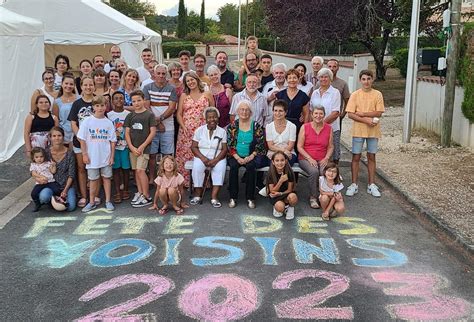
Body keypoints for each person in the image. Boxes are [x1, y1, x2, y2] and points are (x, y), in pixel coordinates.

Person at [345, 69, 385, 198]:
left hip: (373, 131)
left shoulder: (377, 94)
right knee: (356, 157)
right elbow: (350, 113)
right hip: (358, 131)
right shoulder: (355, 95)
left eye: (369, 78)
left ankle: (371, 184)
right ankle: (354, 184)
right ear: (360, 80)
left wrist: (363, 114)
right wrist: (366, 120)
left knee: (371, 157)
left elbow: (379, 112)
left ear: (372, 79)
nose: (366, 81)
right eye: (364, 79)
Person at [78, 95, 116, 212]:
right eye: (97, 106)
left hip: (105, 156)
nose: (100, 108)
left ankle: (108, 201)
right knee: (93, 180)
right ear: (93, 107)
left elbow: (113, 141)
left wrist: (111, 157)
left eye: (102, 105)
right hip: (92, 156)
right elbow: (82, 139)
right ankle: (91, 202)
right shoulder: (87, 121)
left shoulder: (108, 122)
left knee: (106, 178)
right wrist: (84, 154)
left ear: (106, 106)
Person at [176, 72, 214, 187]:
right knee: (186, 155)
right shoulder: (184, 95)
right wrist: (183, 126)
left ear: (197, 80)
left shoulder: (207, 94)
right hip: (187, 132)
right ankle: (187, 182)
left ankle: (204, 182)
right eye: (188, 81)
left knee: (203, 154)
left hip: (203, 131)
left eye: (192, 80)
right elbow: (179, 114)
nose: (190, 82)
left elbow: (213, 112)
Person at [227, 100, 266, 209]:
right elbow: (230, 144)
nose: (244, 112)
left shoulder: (256, 125)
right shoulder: (233, 126)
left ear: (251, 112)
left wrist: (251, 156)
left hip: (251, 154)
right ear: (238, 111)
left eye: (247, 110)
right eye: (242, 109)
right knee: (234, 166)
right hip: (235, 155)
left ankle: (250, 197)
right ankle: (233, 197)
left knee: (251, 166)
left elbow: (260, 144)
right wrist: (237, 157)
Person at [143, 64, 178, 184]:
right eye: (159, 73)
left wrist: (160, 119)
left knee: (167, 155)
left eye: (163, 73)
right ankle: (152, 178)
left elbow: (172, 108)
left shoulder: (172, 88)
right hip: (152, 127)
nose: (161, 76)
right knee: (152, 154)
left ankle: (166, 178)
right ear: (154, 74)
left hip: (168, 127)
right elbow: (146, 106)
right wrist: (157, 124)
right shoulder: (147, 87)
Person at [124, 90, 157, 207]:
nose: (136, 103)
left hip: (144, 149)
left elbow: (153, 132)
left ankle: (147, 195)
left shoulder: (149, 115)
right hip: (133, 149)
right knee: (136, 172)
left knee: (141, 170)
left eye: (139, 100)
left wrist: (143, 145)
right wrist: (131, 147)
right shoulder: (130, 115)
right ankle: (140, 192)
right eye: (134, 101)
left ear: (143, 100)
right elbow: (127, 133)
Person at [297, 106, 334, 209]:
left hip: (322, 158)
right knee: (314, 172)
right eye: (316, 113)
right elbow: (299, 147)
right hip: (306, 158)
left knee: (326, 171)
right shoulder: (305, 127)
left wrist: (326, 158)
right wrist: (309, 158)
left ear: (324, 115)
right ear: (312, 115)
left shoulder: (329, 128)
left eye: (321, 114)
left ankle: (326, 195)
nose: (318, 116)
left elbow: (331, 146)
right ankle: (313, 197)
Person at [190, 107, 228, 207]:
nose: (212, 119)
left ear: (218, 118)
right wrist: (203, 158)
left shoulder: (222, 132)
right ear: (205, 119)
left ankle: (214, 197)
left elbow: (224, 149)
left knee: (220, 169)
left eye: (214, 117)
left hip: (218, 157)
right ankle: (198, 195)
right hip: (201, 156)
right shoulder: (199, 130)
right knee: (197, 168)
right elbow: (193, 147)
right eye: (209, 117)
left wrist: (215, 160)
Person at [67, 76, 95, 207]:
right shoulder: (77, 104)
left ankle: (94, 196)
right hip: (79, 141)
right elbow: (73, 122)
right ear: (81, 87)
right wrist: (80, 136)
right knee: (81, 168)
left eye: (91, 85)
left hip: (95, 142)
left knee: (94, 169)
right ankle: (84, 196)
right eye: (86, 85)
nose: (88, 87)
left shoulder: (98, 101)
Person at [38, 127, 77, 212]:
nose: (57, 138)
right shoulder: (46, 152)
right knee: (43, 198)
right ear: (50, 138)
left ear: (63, 137)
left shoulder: (69, 153)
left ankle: (58, 200)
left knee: (71, 207)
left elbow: (71, 174)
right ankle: (54, 200)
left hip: (67, 185)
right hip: (51, 185)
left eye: (59, 135)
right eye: (54, 136)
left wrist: (65, 190)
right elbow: (37, 167)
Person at [310, 68, 341, 163]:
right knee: (319, 154)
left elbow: (335, 113)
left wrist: (321, 124)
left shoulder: (335, 92)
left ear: (330, 78)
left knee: (333, 155)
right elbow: (311, 110)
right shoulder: (315, 93)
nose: (323, 79)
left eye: (326, 77)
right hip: (316, 129)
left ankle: (333, 174)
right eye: (321, 77)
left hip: (331, 128)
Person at [107, 91, 131, 204]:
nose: (119, 101)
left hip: (126, 146)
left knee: (126, 169)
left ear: (124, 100)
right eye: (116, 98)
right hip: (114, 147)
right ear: (112, 101)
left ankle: (126, 189)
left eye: (121, 98)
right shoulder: (109, 115)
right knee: (116, 169)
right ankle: (117, 191)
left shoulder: (128, 114)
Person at [266, 151, 298, 220]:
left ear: (286, 161)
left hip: (286, 193)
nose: (280, 163)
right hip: (275, 196)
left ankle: (290, 207)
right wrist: (280, 181)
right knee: (280, 208)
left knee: (293, 197)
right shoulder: (270, 173)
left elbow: (290, 190)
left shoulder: (289, 172)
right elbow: (272, 191)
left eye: (282, 160)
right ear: (273, 162)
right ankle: (280, 207)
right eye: (277, 161)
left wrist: (280, 193)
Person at [265, 100, 298, 166]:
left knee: (283, 162)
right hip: (273, 153)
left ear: (285, 112)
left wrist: (283, 153)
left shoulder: (292, 126)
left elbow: (290, 146)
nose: (278, 113)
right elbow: (270, 146)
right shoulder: (269, 126)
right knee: (275, 163)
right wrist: (282, 151)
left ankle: (285, 176)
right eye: (275, 110)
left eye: (280, 111)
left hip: (288, 152)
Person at [29, 147, 61, 212]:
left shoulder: (47, 163)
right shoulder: (33, 165)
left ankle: (55, 200)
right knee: (33, 193)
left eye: (41, 157)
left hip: (50, 181)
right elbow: (33, 173)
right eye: (37, 157)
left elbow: (53, 171)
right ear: (33, 158)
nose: (39, 159)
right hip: (40, 182)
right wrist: (41, 177)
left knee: (57, 189)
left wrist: (53, 165)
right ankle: (37, 204)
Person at [52, 73, 78, 146]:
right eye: (66, 83)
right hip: (64, 134)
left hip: (77, 133)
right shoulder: (57, 102)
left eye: (71, 84)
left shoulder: (79, 98)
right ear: (62, 84)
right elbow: (56, 120)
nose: (68, 86)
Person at [327, 59, 351, 128]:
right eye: (330, 66)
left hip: (336, 119)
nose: (332, 69)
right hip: (321, 118)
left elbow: (347, 101)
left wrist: (343, 114)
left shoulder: (343, 84)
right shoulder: (320, 83)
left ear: (338, 68)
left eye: (334, 66)